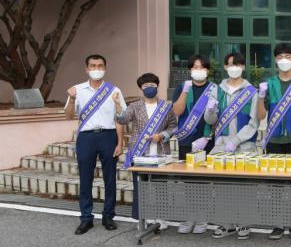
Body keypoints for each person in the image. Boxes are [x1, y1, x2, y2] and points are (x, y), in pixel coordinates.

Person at [257, 43, 291, 241]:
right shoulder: (269, 83)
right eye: (280, 56)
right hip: (274, 140)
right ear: (275, 60)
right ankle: (277, 224)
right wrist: (260, 96)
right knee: (275, 186)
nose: (284, 60)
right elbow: (261, 115)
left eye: (288, 56)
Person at [64, 54, 126, 235]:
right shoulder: (77, 90)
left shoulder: (114, 90)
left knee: (110, 178)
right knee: (85, 178)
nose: (96, 69)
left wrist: (120, 142)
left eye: (100, 66)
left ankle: (108, 216)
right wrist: (72, 99)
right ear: (87, 68)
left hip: (108, 136)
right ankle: (86, 218)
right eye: (93, 66)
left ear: (105, 68)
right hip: (86, 137)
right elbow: (68, 116)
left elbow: (121, 118)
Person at [205, 52, 260, 239]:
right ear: (225, 67)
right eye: (230, 64)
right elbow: (210, 120)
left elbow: (254, 122)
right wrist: (210, 111)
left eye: (237, 64)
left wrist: (236, 141)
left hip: (244, 146)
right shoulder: (217, 90)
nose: (234, 68)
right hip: (221, 145)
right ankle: (225, 223)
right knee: (222, 187)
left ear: (243, 67)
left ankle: (244, 223)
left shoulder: (251, 92)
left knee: (245, 187)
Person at [115, 72, 178, 230]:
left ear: (157, 86)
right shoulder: (134, 106)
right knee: (140, 186)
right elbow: (122, 120)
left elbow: (173, 126)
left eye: (152, 85)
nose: (149, 88)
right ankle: (142, 218)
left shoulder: (166, 106)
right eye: (145, 86)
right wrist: (117, 106)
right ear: (141, 88)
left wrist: (162, 135)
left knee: (161, 186)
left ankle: (161, 217)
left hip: (160, 151)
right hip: (139, 152)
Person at [172, 54, 217, 235]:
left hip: (206, 141)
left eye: (202, 67)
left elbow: (218, 117)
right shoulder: (182, 87)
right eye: (195, 67)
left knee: (204, 181)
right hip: (186, 139)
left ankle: (202, 217)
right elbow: (177, 111)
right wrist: (184, 92)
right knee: (188, 182)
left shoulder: (214, 89)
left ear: (208, 70)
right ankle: (189, 217)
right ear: (190, 70)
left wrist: (207, 137)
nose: (199, 70)